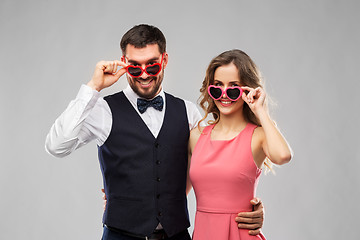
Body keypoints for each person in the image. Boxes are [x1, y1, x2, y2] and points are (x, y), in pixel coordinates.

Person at [45, 24, 265, 240]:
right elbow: (57, 146)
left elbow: (223, 167)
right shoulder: (103, 110)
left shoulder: (188, 113)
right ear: (124, 63)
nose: (143, 75)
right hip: (120, 236)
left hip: (176, 235)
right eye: (134, 66)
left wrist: (247, 205)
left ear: (164, 60)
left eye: (152, 65)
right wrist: (93, 87)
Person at [187, 49, 292, 239]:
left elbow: (283, 155)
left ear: (247, 90)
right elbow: (176, 193)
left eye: (234, 87)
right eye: (218, 86)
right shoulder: (196, 136)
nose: (224, 94)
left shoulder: (258, 136)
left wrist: (260, 111)